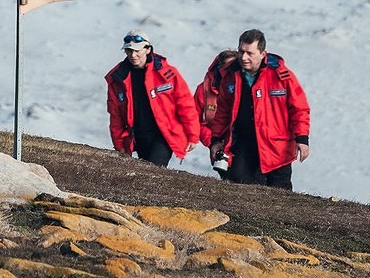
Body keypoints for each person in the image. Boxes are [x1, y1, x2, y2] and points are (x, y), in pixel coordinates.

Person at [194, 29, 310, 189]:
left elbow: (299, 108)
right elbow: (223, 112)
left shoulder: (281, 76)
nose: (243, 57)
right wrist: (215, 141)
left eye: (250, 53)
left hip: (277, 148)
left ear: (263, 54)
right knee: (246, 194)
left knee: (282, 198)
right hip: (243, 148)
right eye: (241, 51)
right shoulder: (229, 75)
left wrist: (302, 139)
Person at [104, 33, 200, 166]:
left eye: (137, 51)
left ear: (148, 49)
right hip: (139, 135)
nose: (133, 55)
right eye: (129, 51)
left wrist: (193, 135)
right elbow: (116, 115)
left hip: (164, 134)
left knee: (153, 169)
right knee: (144, 173)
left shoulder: (167, 73)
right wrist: (119, 144)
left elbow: (185, 104)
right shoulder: (118, 78)